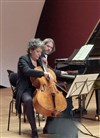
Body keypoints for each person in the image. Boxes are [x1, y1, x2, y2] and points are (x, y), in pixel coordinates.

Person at [15, 38, 53, 138]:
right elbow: (27, 71)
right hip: (25, 88)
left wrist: (60, 73)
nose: (39, 54)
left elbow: (49, 70)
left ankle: (48, 126)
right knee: (28, 100)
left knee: (51, 97)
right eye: (37, 51)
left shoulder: (40, 60)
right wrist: (43, 73)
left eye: (40, 52)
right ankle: (34, 130)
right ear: (31, 50)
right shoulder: (23, 59)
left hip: (37, 87)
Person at [42, 38, 78, 134]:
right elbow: (47, 71)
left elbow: (50, 70)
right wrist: (64, 72)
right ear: (43, 45)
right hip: (42, 85)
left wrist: (64, 72)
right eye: (47, 46)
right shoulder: (40, 56)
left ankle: (50, 126)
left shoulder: (43, 56)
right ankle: (66, 123)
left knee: (64, 94)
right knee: (65, 95)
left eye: (51, 47)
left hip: (47, 83)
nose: (49, 49)